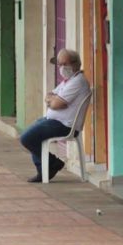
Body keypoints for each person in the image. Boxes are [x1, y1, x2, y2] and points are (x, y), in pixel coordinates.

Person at [19, 49, 91, 183]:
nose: (62, 68)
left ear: (75, 64)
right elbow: (49, 95)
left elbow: (57, 104)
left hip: (64, 125)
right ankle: (46, 168)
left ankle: (52, 163)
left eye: (65, 64)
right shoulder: (67, 81)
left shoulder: (78, 82)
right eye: (60, 64)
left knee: (26, 138)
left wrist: (55, 102)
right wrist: (54, 101)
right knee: (33, 131)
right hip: (53, 121)